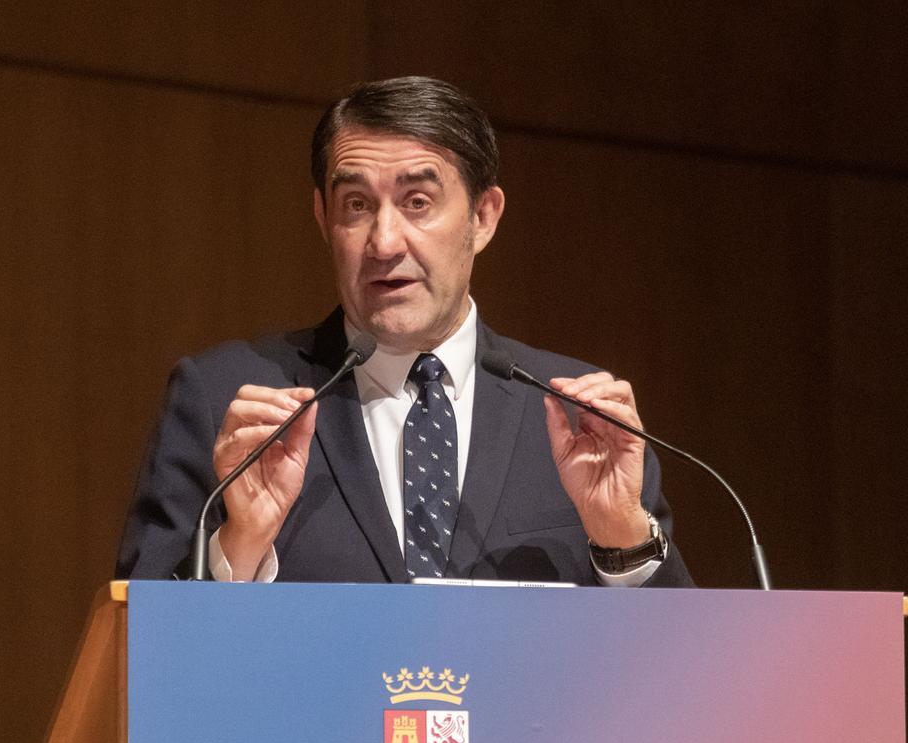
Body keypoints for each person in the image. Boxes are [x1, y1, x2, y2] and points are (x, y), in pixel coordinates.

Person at [116, 76, 692, 587]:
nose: (384, 241)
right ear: (323, 218)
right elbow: (137, 645)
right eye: (356, 205)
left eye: (418, 202)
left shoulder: (582, 419)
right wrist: (238, 546)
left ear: (483, 217)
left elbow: (682, 659)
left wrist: (622, 538)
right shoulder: (228, 402)